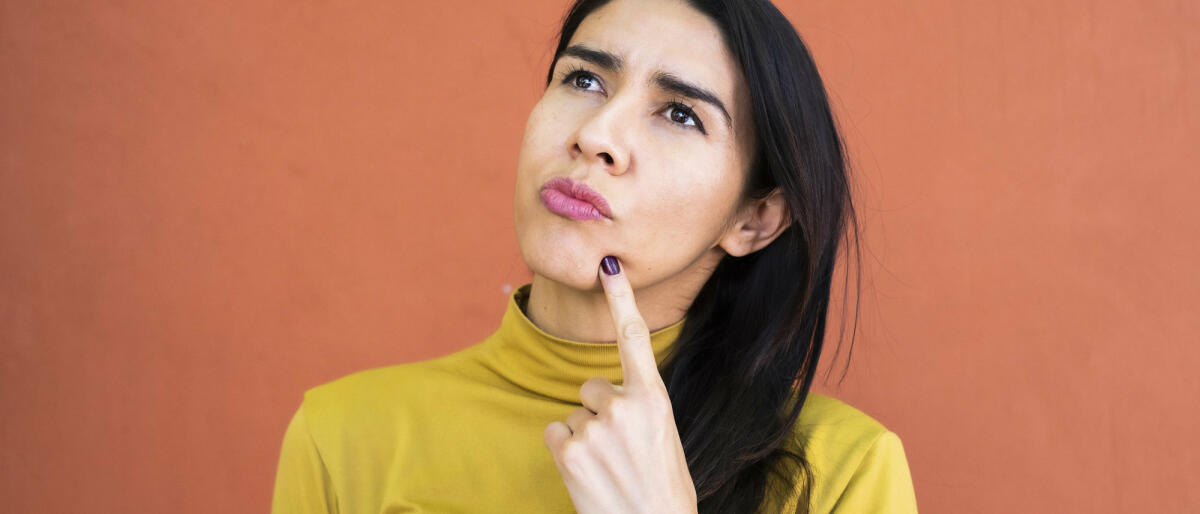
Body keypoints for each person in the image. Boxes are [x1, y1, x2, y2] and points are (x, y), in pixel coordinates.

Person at [270, 0, 918, 512]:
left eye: (681, 114)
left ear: (755, 219)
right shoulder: (343, 438)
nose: (596, 134)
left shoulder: (845, 474)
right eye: (583, 79)